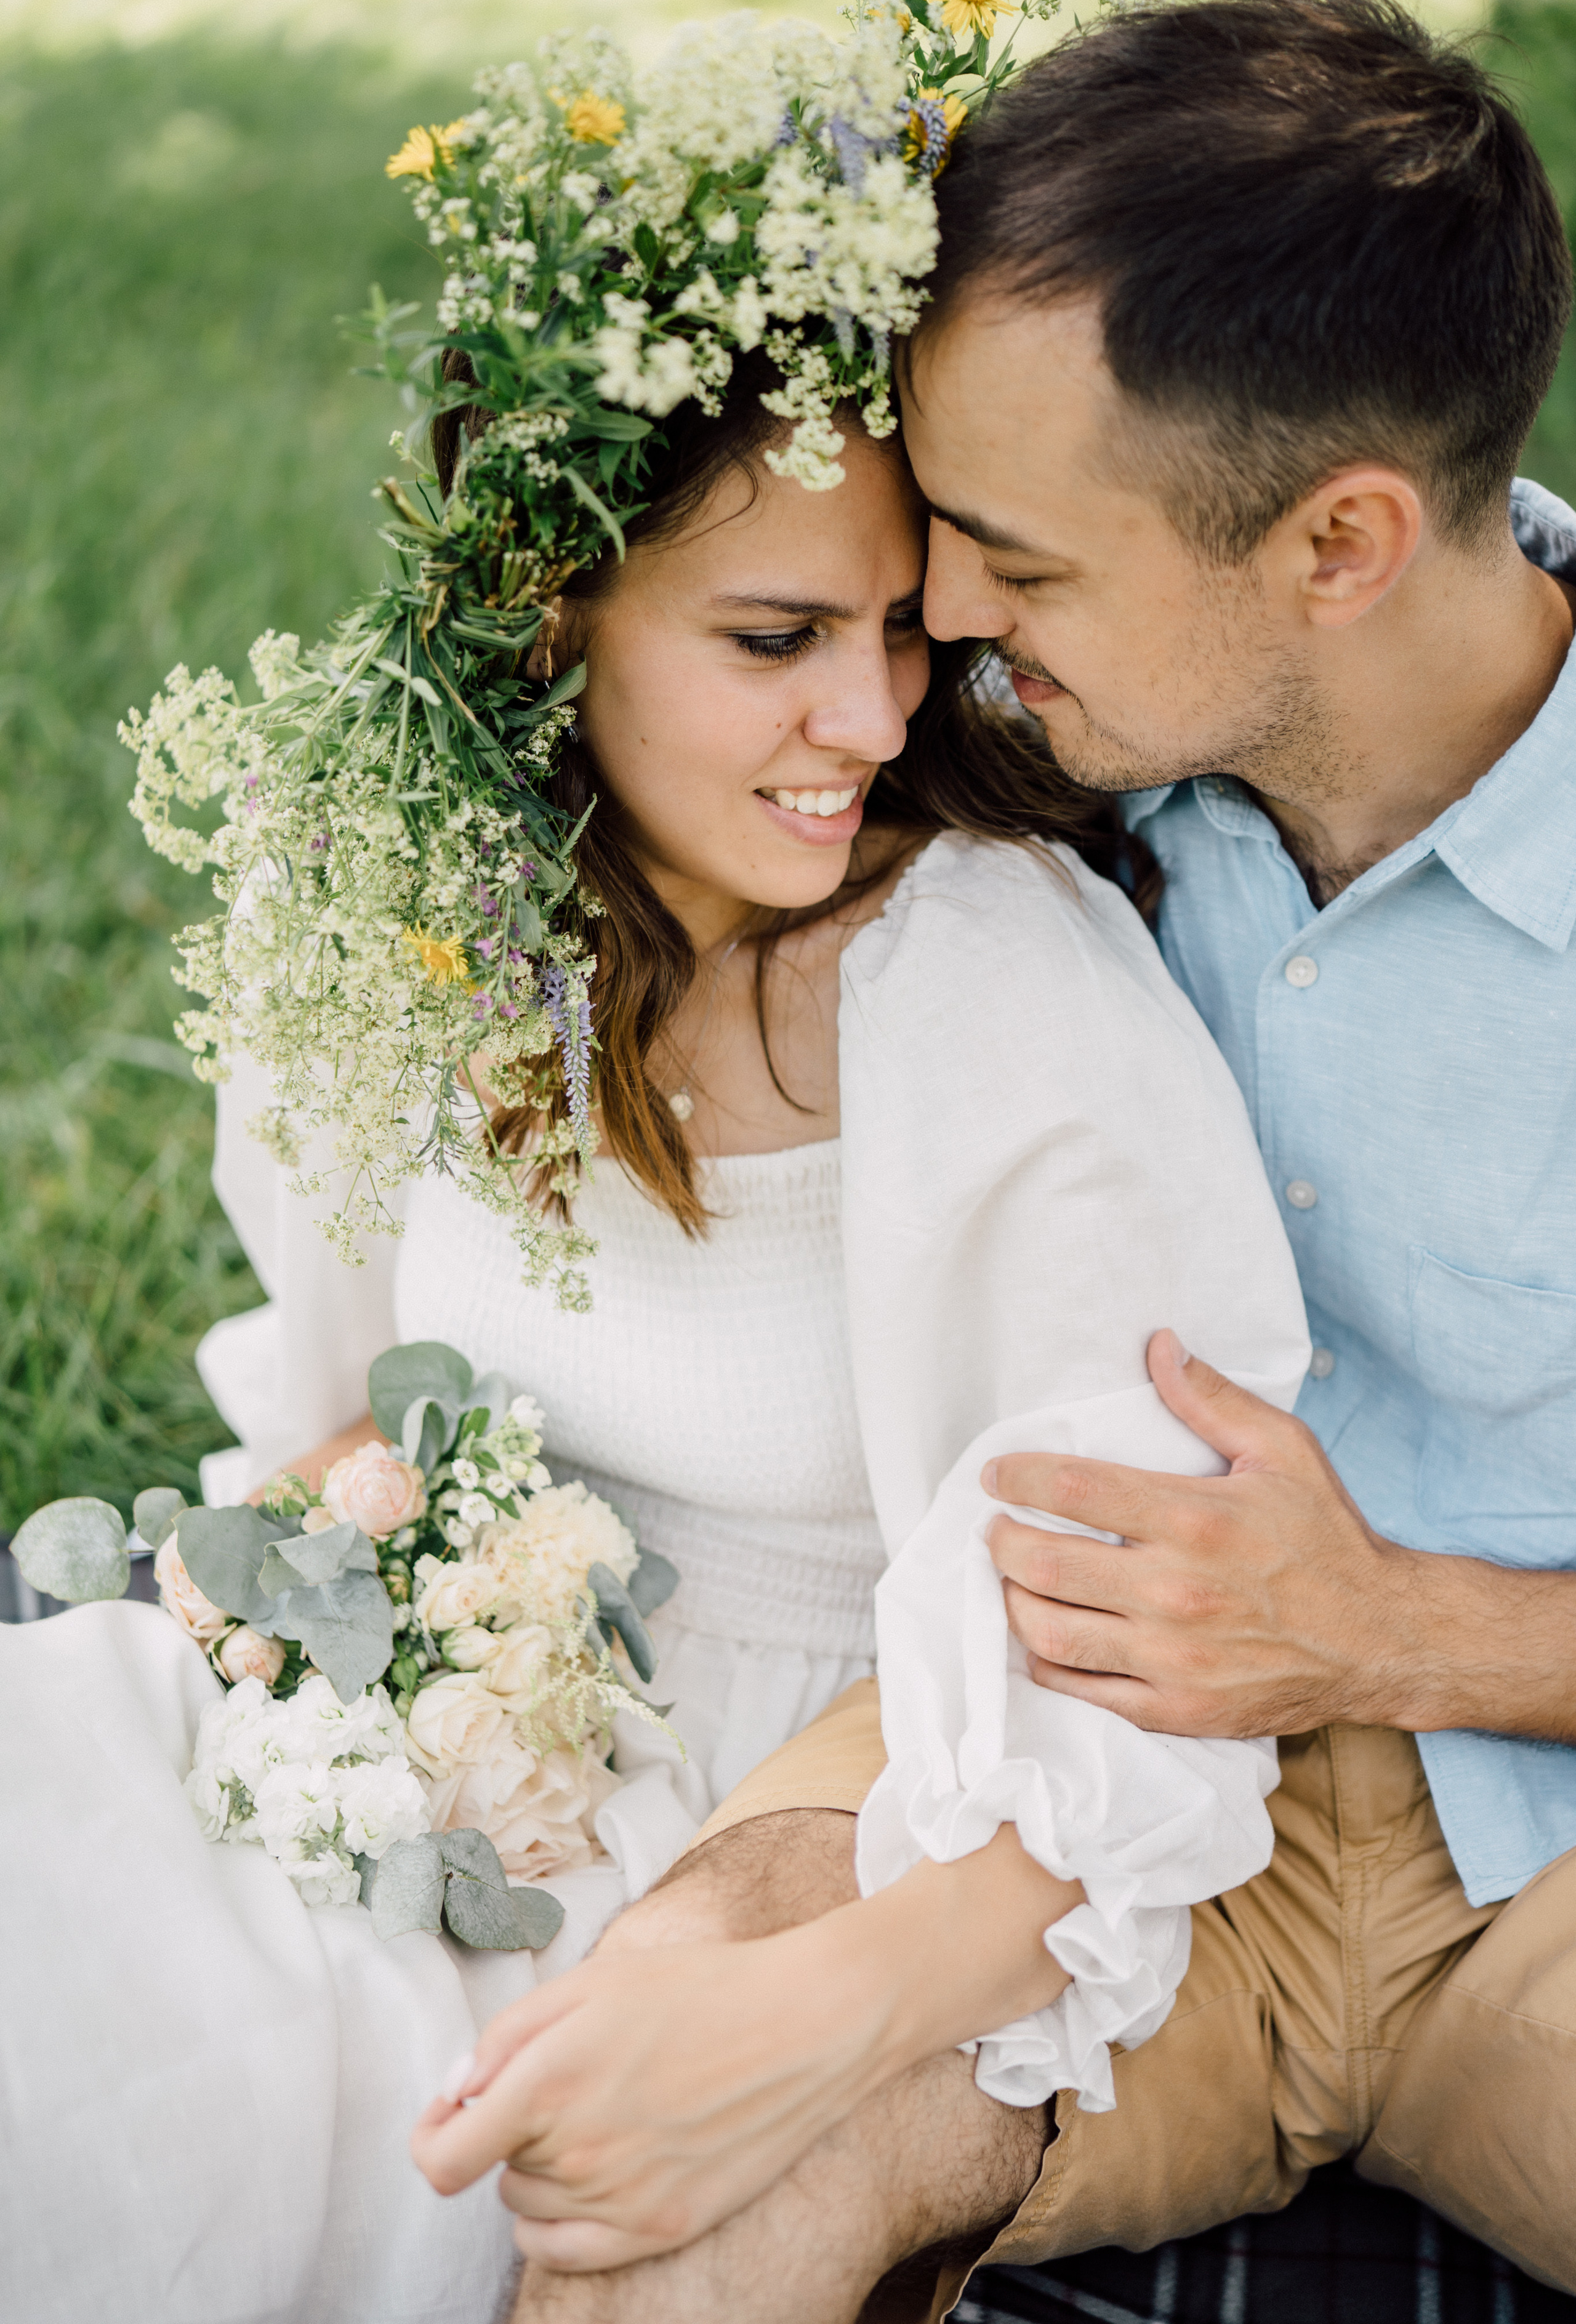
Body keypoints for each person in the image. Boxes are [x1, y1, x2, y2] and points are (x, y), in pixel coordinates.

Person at [409, 0, 1576, 2324]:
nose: (939, 624)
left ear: (1340, 543)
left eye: (1018, 567)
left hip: (1534, 1874)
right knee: (650, 2181)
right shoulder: (1023, 766)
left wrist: (1404, 1630)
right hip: (1041, 1777)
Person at [0, 297, 1311, 2322]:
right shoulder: (423, 911)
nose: (873, 721)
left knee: (194, 2091)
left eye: (899, 631)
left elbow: (1147, 1630)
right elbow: (332, 1388)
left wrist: (815, 1983)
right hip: (380, 1699)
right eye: (776, 641)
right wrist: (312, 1572)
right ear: (551, 622)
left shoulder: (977, 978)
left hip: (742, 1822)